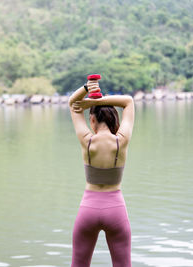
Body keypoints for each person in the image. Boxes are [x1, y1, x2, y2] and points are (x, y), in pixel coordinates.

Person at [68, 79, 135, 267]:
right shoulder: (121, 141)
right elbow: (128, 101)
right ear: (115, 120)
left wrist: (86, 90)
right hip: (116, 210)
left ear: (92, 120)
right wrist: (98, 101)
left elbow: (73, 104)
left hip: (88, 210)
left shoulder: (86, 140)